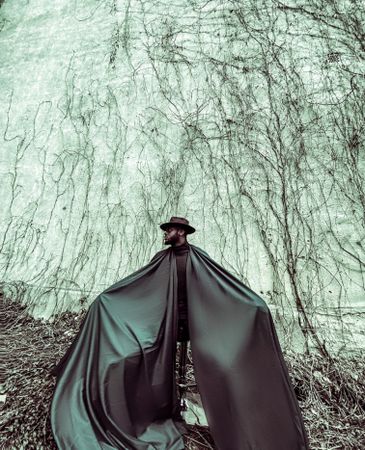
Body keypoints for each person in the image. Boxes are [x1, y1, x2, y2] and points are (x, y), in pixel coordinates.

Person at [50, 216, 310, 450]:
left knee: (227, 367)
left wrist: (256, 307)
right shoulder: (161, 260)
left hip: (200, 329)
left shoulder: (200, 259)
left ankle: (235, 423)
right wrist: (105, 301)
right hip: (165, 327)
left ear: (182, 232)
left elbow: (223, 286)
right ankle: (155, 411)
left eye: (171, 229)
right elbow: (139, 286)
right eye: (167, 229)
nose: (166, 233)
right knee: (128, 359)